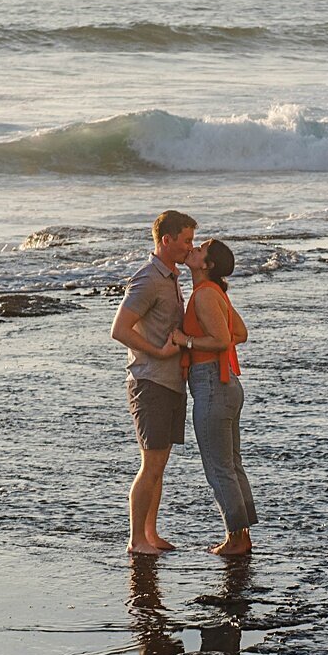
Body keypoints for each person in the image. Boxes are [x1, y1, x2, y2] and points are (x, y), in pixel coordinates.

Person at [110, 209, 196, 555]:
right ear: (167, 240)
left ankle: (151, 533)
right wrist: (159, 354)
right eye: (186, 241)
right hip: (150, 382)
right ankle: (136, 540)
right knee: (151, 465)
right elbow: (119, 330)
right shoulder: (147, 278)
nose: (191, 248)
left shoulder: (172, 277)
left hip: (170, 383)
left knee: (160, 465)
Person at [174, 238, 256, 557]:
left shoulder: (205, 294)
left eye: (200, 250)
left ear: (206, 265)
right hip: (226, 384)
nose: (193, 249)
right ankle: (241, 533)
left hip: (212, 384)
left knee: (219, 467)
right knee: (231, 464)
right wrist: (210, 339)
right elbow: (240, 333)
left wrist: (187, 341)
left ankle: (236, 539)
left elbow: (223, 339)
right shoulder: (215, 293)